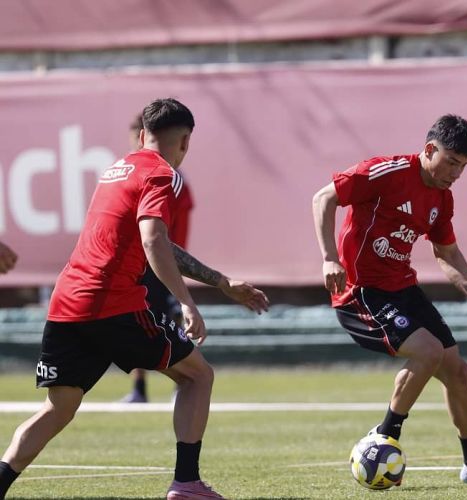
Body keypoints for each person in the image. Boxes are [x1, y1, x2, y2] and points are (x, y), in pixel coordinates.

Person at [0, 98, 270, 500]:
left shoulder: (116, 169)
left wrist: (220, 282)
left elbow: (158, 242)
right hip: (113, 303)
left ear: (143, 135)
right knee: (198, 375)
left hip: (67, 302)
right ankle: (186, 483)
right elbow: (153, 238)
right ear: (186, 142)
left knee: (59, 407)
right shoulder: (165, 174)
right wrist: (186, 303)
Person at [312, 114, 467, 484]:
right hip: (360, 291)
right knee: (428, 351)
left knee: (458, 371)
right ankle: (384, 436)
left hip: (402, 289)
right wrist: (330, 257)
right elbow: (324, 198)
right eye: (452, 162)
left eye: (463, 166)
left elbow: (448, 254)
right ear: (430, 150)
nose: (456, 173)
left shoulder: (442, 198)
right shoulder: (386, 171)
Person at [122, 113, 195, 404]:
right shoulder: (132, 174)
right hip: (139, 261)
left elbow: (173, 231)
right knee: (138, 319)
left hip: (159, 261)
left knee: (169, 318)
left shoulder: (170, 179)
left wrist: (172, 262)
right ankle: (140, 389)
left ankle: (183, 382)